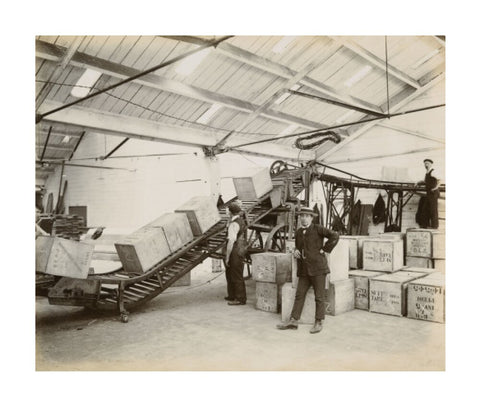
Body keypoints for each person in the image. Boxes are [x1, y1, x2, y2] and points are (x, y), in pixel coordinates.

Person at [277, 207, 339, 334]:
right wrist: (295, 251)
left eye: (306, 216)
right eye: (302, 216)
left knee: (319, 297)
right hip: (304, 270)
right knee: (299, 295)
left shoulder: (318, 228)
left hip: (318, 269)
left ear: (311, 217)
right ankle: (293, 321)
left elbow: (335, 235)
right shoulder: (299, 232)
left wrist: (325, 249)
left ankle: (319, 322)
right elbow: (298, 247)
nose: (304, 218)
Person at [224, 201, 248, 305]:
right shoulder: (239, 221)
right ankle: (232, 295)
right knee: (230, 273)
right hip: (239, 250)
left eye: (227, 209)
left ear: (231, 212)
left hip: (235, 251)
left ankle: (240, 299)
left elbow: (230, 242)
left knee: (236, 275)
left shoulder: (234, 224)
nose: (226, 211)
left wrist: (227, 257)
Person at [416, 159, 440, 229]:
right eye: (425, 164)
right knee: (425, 209)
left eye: (427, 163)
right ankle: (425, 225)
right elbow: (424, 181)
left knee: (433, 210)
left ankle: (435, 226)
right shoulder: (427, 172)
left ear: (431, 164)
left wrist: (435, 188)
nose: (426, 165)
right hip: (429, 193)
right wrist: (418, 183)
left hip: (433, 193)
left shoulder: (433, 171)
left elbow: (440, 180)